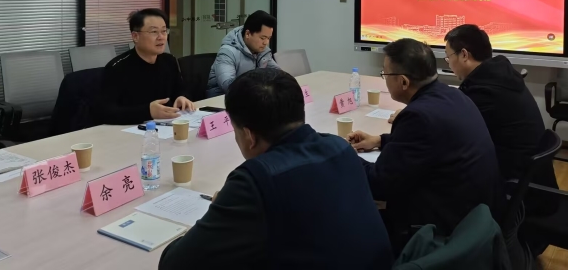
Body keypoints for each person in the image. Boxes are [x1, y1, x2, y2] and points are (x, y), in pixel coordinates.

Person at [160, 69, 394, 270]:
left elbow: (175, 264)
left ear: (249, 135)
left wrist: (219, 211)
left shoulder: (255, 181)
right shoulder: (340, 148)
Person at [348, 38, 503, 254]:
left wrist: (345, 155)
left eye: (385, 74)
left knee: (351, 210)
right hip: (475, 215)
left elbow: (379, 185)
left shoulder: (417, 116)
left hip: (442, 228)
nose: (384, 78)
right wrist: (380, 140)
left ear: (403, 82)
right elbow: (430, 143)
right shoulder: (452, 94)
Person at [443, 24, 558, 197]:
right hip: (531, 180)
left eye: (448, 56)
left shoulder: (484, 91)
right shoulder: (500, 76)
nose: (449, 62)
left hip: (517, 190)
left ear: (464, 55)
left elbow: (453, 134)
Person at [97, 8, 195, 124]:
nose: (161, 37)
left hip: (166, 125)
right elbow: (105, 112)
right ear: (135, 36)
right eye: (154, 32)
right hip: (131, 129)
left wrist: (181, 97)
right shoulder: (117, 67)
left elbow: (181, 89)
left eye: (164, 31)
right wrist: (148, 112)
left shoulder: (169, 61)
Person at [206, 10, 280, 97]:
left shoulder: (263, 51)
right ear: (248, 34)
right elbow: (228, 86)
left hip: (252, 97)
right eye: (262, 38)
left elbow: (278, 74)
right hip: (222, 100)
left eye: (269, 38)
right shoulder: (227, 52)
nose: (266, 42)